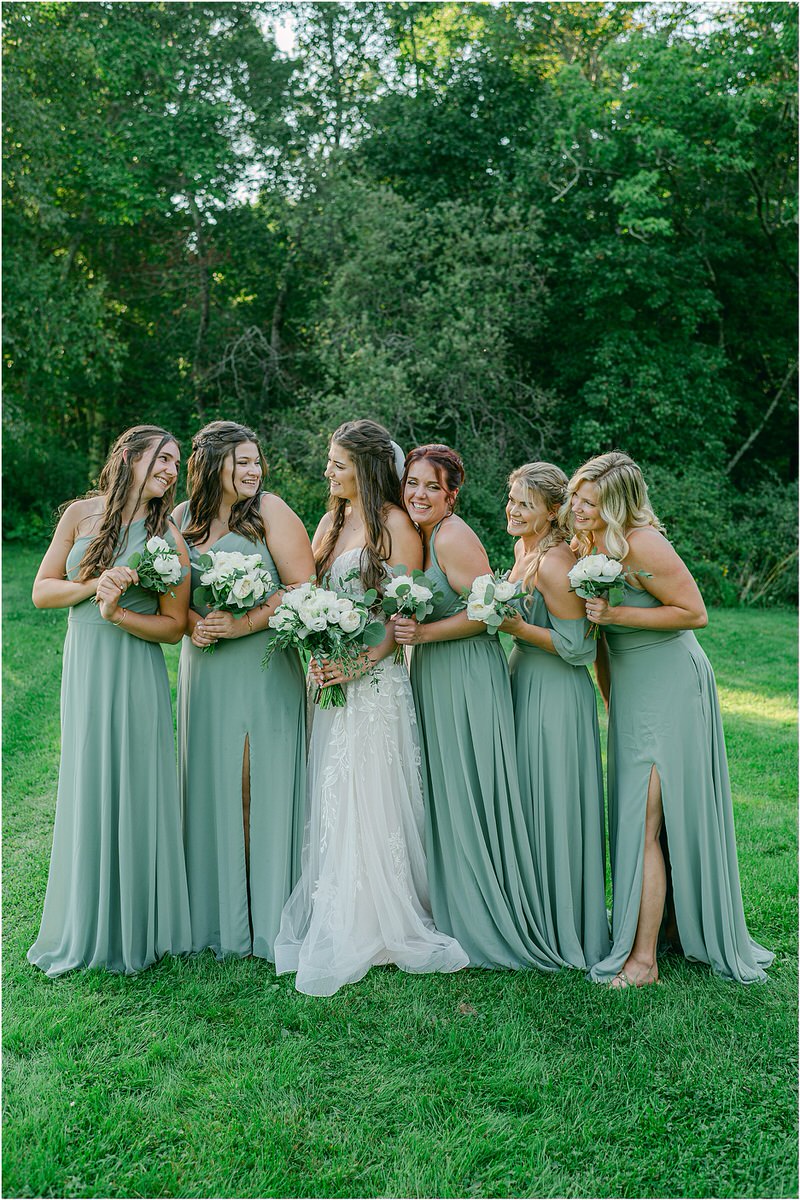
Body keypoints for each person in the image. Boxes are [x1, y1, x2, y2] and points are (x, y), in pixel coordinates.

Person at [274, 419, 468, 996]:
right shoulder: (332, 521)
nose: (327, 471)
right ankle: (339, 905)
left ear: (363, 467)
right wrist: (312, 638)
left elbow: (398, 614)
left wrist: (358, 665)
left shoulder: (396, 527)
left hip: (375, 682)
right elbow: (308, 588)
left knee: (371, 792)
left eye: (336, 463)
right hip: (332, 675)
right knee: (334, 790)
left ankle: (382, 919)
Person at [567, 450, 773, 986]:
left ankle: (643, 962)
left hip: (670, 684)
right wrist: (609, 693)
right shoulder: (588, 545)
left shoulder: (643, 543)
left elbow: (694, 613)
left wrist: (616, 613)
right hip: (633, 690)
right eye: (575, 497)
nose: (578, 507)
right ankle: (672, 928)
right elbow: (604, 641)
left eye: (591, 501)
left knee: (643, 822)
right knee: (641, 820)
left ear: (617, 504)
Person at [29, 425, 192, 976]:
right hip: (88, 666)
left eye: (177, 463)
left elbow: (173, 627)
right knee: (90, 777)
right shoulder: (80, 514)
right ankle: (87, 916)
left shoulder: (166, 533)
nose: (172, 470)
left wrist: (120, 611)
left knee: (137, 780)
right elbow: (42, 589)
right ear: (130, 456)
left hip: (135, 666)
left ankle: (139, 922)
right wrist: (95, 585)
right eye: (163, 459)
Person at [393, 444, 563, 972]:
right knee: (445, 789)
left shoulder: (453, 535)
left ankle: (484, 916)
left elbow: (487, 612)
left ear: (451, 495)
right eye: (413, 484)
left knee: (468, 787)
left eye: (431, 487)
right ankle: (451, 904)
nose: (419, 494)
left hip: (465, 671)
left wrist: (422, 632)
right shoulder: (421, 535)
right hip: (436, 670)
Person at [173, 421, 314, 962]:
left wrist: (244, 623)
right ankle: (216, 914)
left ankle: (264, 913)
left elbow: (302, 588)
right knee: (212, 782)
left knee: (255, 781)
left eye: (258, 462)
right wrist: (191, 622)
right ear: (212, 465)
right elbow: (171, 596)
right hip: (205, 672)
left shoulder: (272, 513)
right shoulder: (182, 519)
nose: (254, 471)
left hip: (261, 664)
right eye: (243, 462)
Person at [500, 462, 610, 969]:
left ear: (551, 512)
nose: (514, 509)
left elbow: (578, 646)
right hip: (526, 683)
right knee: (529, 799)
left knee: (554, 800)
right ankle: (534, 912)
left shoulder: (553, 561)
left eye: (526, 503)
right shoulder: (525, 550)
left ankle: (563, 923)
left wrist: (514, 629)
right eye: (512, 499)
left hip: (556, 695)